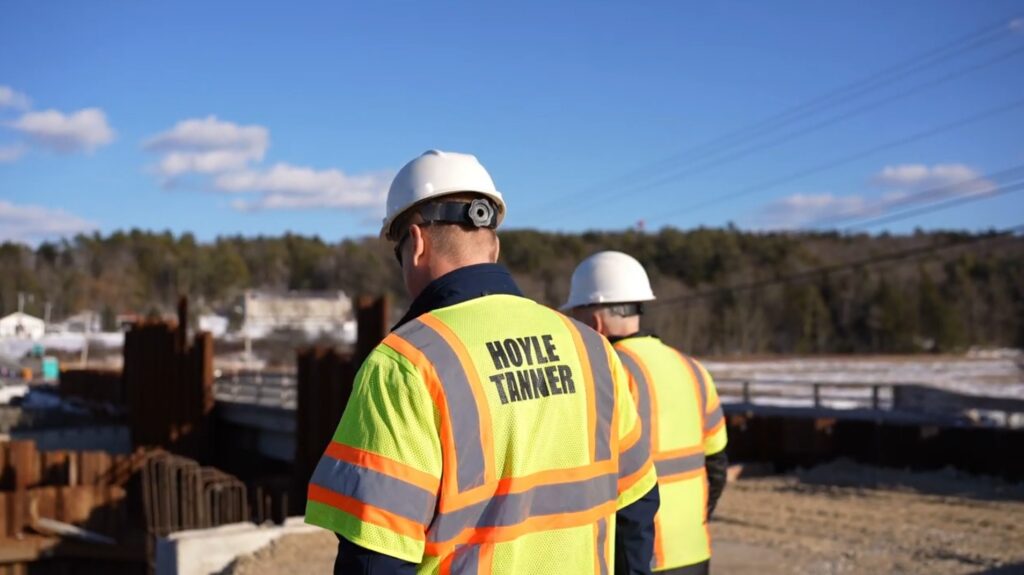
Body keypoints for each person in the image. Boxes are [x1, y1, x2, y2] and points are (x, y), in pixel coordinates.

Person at [306, 150, 660, 574]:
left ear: (415, 244)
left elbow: (376, 555)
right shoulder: (592, 350)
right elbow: (637, 504)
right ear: (493, 244)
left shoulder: (405, 365)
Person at [563, 251, 729, 575]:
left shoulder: (604, 373)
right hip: (694, 550)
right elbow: (718, 465)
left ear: (594, 319)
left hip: (635, 556)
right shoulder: (694, 370)